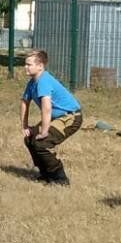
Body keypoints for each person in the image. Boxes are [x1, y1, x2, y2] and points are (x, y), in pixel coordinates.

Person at [20, 50, 84, 185]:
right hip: (56, 117)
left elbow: (46, 108)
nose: (25, 67)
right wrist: (25, 126)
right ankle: (45, 174)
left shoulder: (44, 81)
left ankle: (60, 179)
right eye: (25, 64)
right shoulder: (32, 82)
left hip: (71, 117)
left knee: (42, 143)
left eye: (29, 64)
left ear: (40, 66)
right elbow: (24, 102)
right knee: (30, 139)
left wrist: (44, 131)